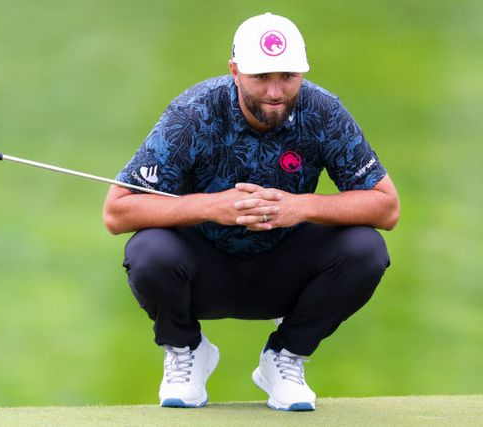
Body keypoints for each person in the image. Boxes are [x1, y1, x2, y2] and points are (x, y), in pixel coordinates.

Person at [102, 12, 399, 411]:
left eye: (288, 76)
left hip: (284, 268)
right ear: (235, 71)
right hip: (203, 269)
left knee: (366, 249)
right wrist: (212, 206)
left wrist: (299, 207)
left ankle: (286, 356)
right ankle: (187, 349)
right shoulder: (192, 113)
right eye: (261, 77)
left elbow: (386, 206)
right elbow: (117, 212)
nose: (276, 92)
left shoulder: (323, 112)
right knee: (149, 252)